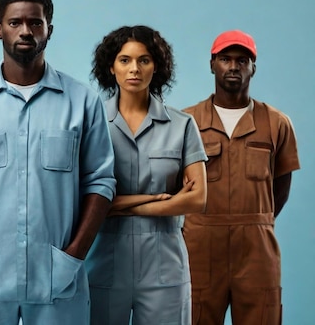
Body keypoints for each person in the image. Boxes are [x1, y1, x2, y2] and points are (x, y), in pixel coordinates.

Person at [0, 0, 116, 325]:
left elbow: (100, 181)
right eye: (15, 22)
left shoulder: (81, 101)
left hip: (58, 277)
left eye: (35, 23)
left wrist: (74, 255)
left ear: (49, 29)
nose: (25, 31)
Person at [85, 25, 207, 325]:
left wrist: (121, 205)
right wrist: (155, 199)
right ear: (110, 67)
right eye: (124, 60)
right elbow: (82, 200)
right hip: (103, 264)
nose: (134, 69)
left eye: (145, 60)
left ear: (157, 67)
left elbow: (198, 198)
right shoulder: (91, 123)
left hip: (164, 268)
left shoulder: (182, 125)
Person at [183, 30, 301, 325]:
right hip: (200, 245)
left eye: (242, 60)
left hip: (256, 249)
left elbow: (281, 185)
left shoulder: (276, 123)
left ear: (253, 68)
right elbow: (177, 186)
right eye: (225, 59)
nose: (234, 67)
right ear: (212, 65)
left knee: (262, 316)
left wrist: (256, 221)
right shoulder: (187, 123)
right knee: (194, 316)